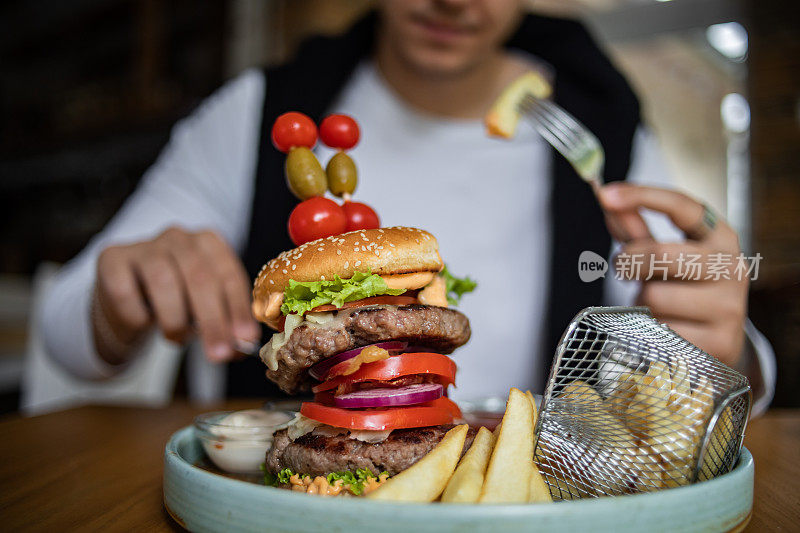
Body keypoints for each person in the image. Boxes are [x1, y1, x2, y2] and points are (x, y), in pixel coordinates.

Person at [40, 0, 774, 411]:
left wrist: (728, 349)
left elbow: (701, 343)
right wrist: (118, 294)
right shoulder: (265, 112)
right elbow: (62, 332)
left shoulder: (600, 133)